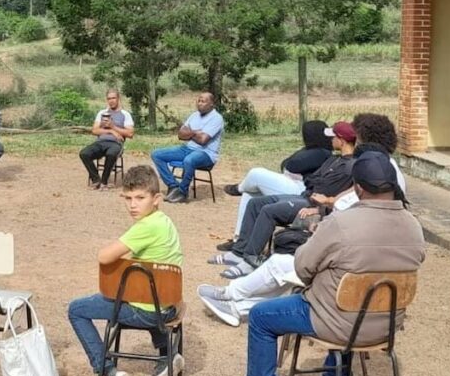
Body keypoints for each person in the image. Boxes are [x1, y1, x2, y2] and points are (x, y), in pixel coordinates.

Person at [217, 151, 425, 376]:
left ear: (358, 188)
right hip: (386, 325)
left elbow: (302, 267)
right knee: (349, 301)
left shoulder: (341, 222)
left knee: (261, 316)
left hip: (338, 321)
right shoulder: (414, 226)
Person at [66, 165, 184, 376]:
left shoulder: (145, 227)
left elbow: (104, 256)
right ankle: (166, 356)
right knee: (146, 286)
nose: (133, 205)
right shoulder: (165, 222)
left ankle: (107, 371)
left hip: (146, 312)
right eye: (128, 198)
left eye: (140, 198)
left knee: (76, 309)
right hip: (167, 306)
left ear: (157, 199)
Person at [209, 121, 357, 278]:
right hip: (306, 196)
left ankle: (250, 261)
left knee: (268, 211)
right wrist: (315, 186)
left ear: (341, 140)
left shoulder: (350, 166)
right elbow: (313, 179)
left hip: (313, 204)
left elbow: (332, 192)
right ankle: (238, 252)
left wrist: (319, 207)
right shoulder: (333, 159)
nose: (331, 140)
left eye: (333, 137)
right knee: (255, 203)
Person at [216, 120, 332, 251]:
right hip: (294, 184)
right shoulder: (311, 150)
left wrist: (291, 164)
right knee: (250, 194)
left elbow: (291, 164)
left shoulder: (322, 152)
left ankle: (239, 188)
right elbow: (285, 163)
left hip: (300, 190)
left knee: (256, 173)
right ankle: (239, 240)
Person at [152, 92, 224, 203]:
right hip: (187, 149)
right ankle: (173, 185)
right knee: (156, 154)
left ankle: (182, 192)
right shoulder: (194, 115)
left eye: (203, 101)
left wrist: (189, 133)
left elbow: (203, 140)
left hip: (206, 154)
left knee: (189, 160)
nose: (199, 103)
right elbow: (180, 135)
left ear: (211, 104)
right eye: (198, 101)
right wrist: (195, 132)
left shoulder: (217, 118)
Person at [79, 89, 134, 190]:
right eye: (109, 99)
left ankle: (104, 182)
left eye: (113, 98)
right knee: (84, 153)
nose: (111, 101)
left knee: (111, 154)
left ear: (118, 99)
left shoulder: (125, 114)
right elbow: (94, 130)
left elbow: (130, 133)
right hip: (101, 142)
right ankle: (96, 180)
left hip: (116, 143)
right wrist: (110, 131)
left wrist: (113, 127)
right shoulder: (102, 113)